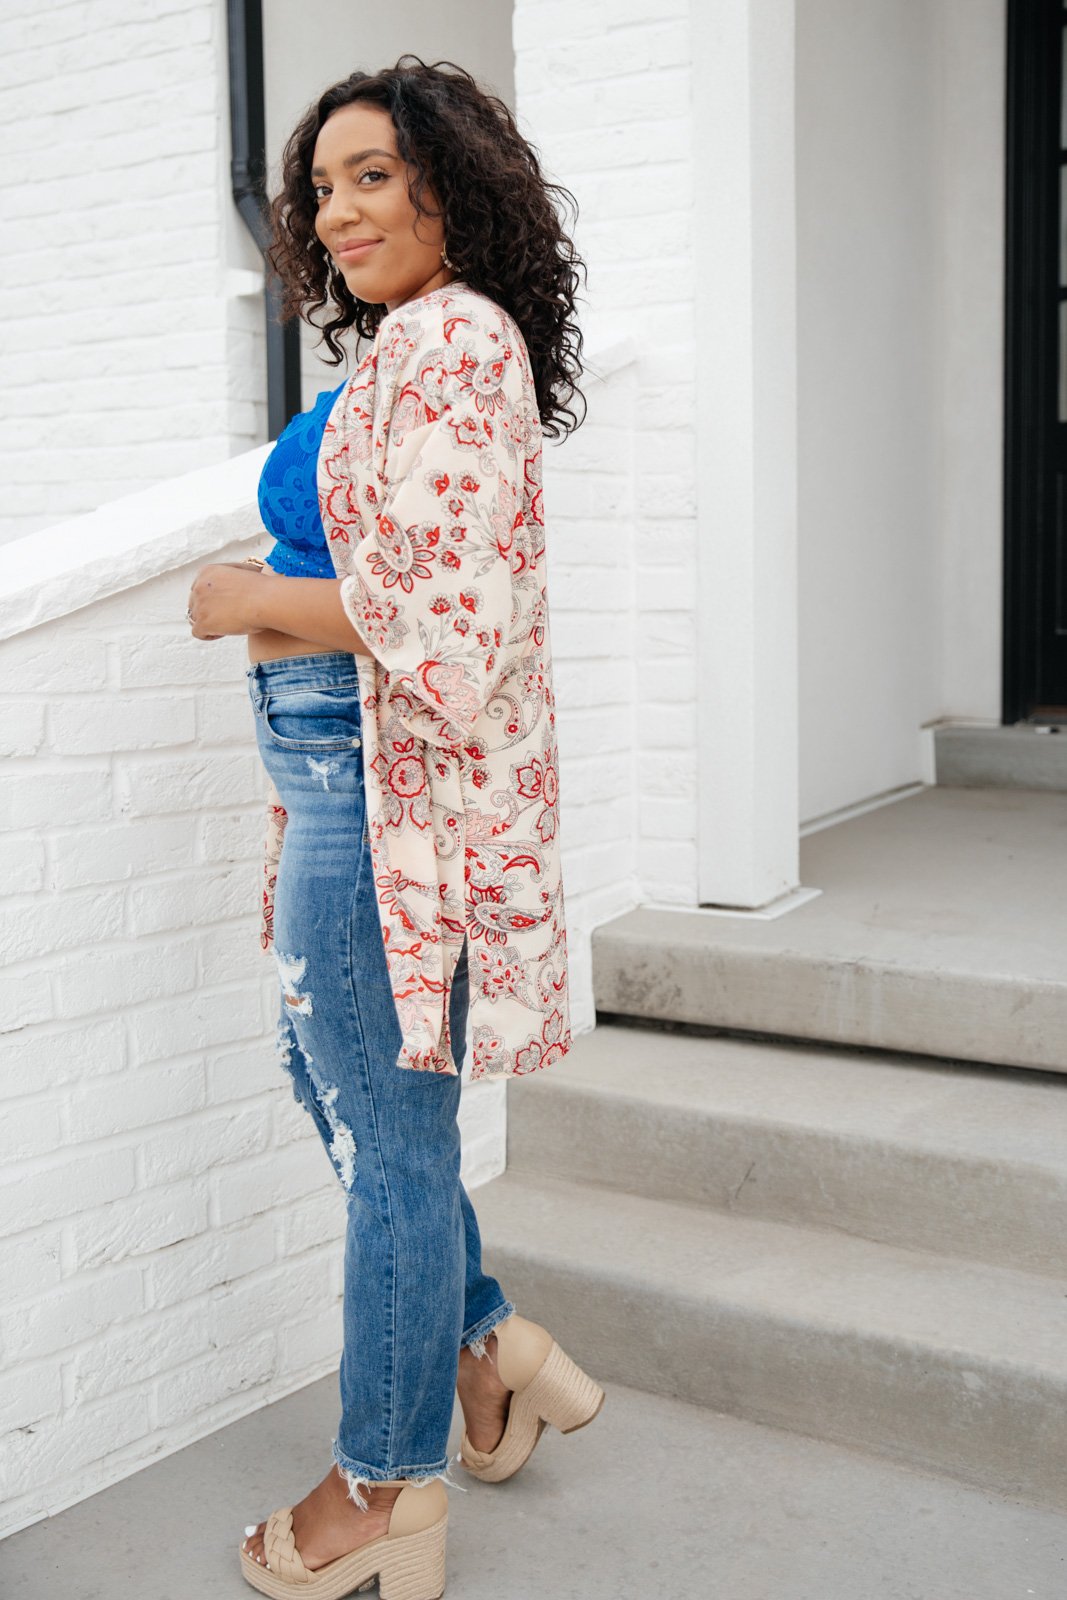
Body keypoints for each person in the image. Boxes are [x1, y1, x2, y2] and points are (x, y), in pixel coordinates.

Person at [186, 56, 602, 1600]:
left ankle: (383, 1483)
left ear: (451, 186)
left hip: (380, 799)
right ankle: (486, 1348)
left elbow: (450, 620)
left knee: (392, 1142)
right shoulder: (408, 347)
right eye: (321, 185)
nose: (336, 211)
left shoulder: (457, 340)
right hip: (339, 785)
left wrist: (243, 601)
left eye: (373, 176)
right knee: (354, 1106)